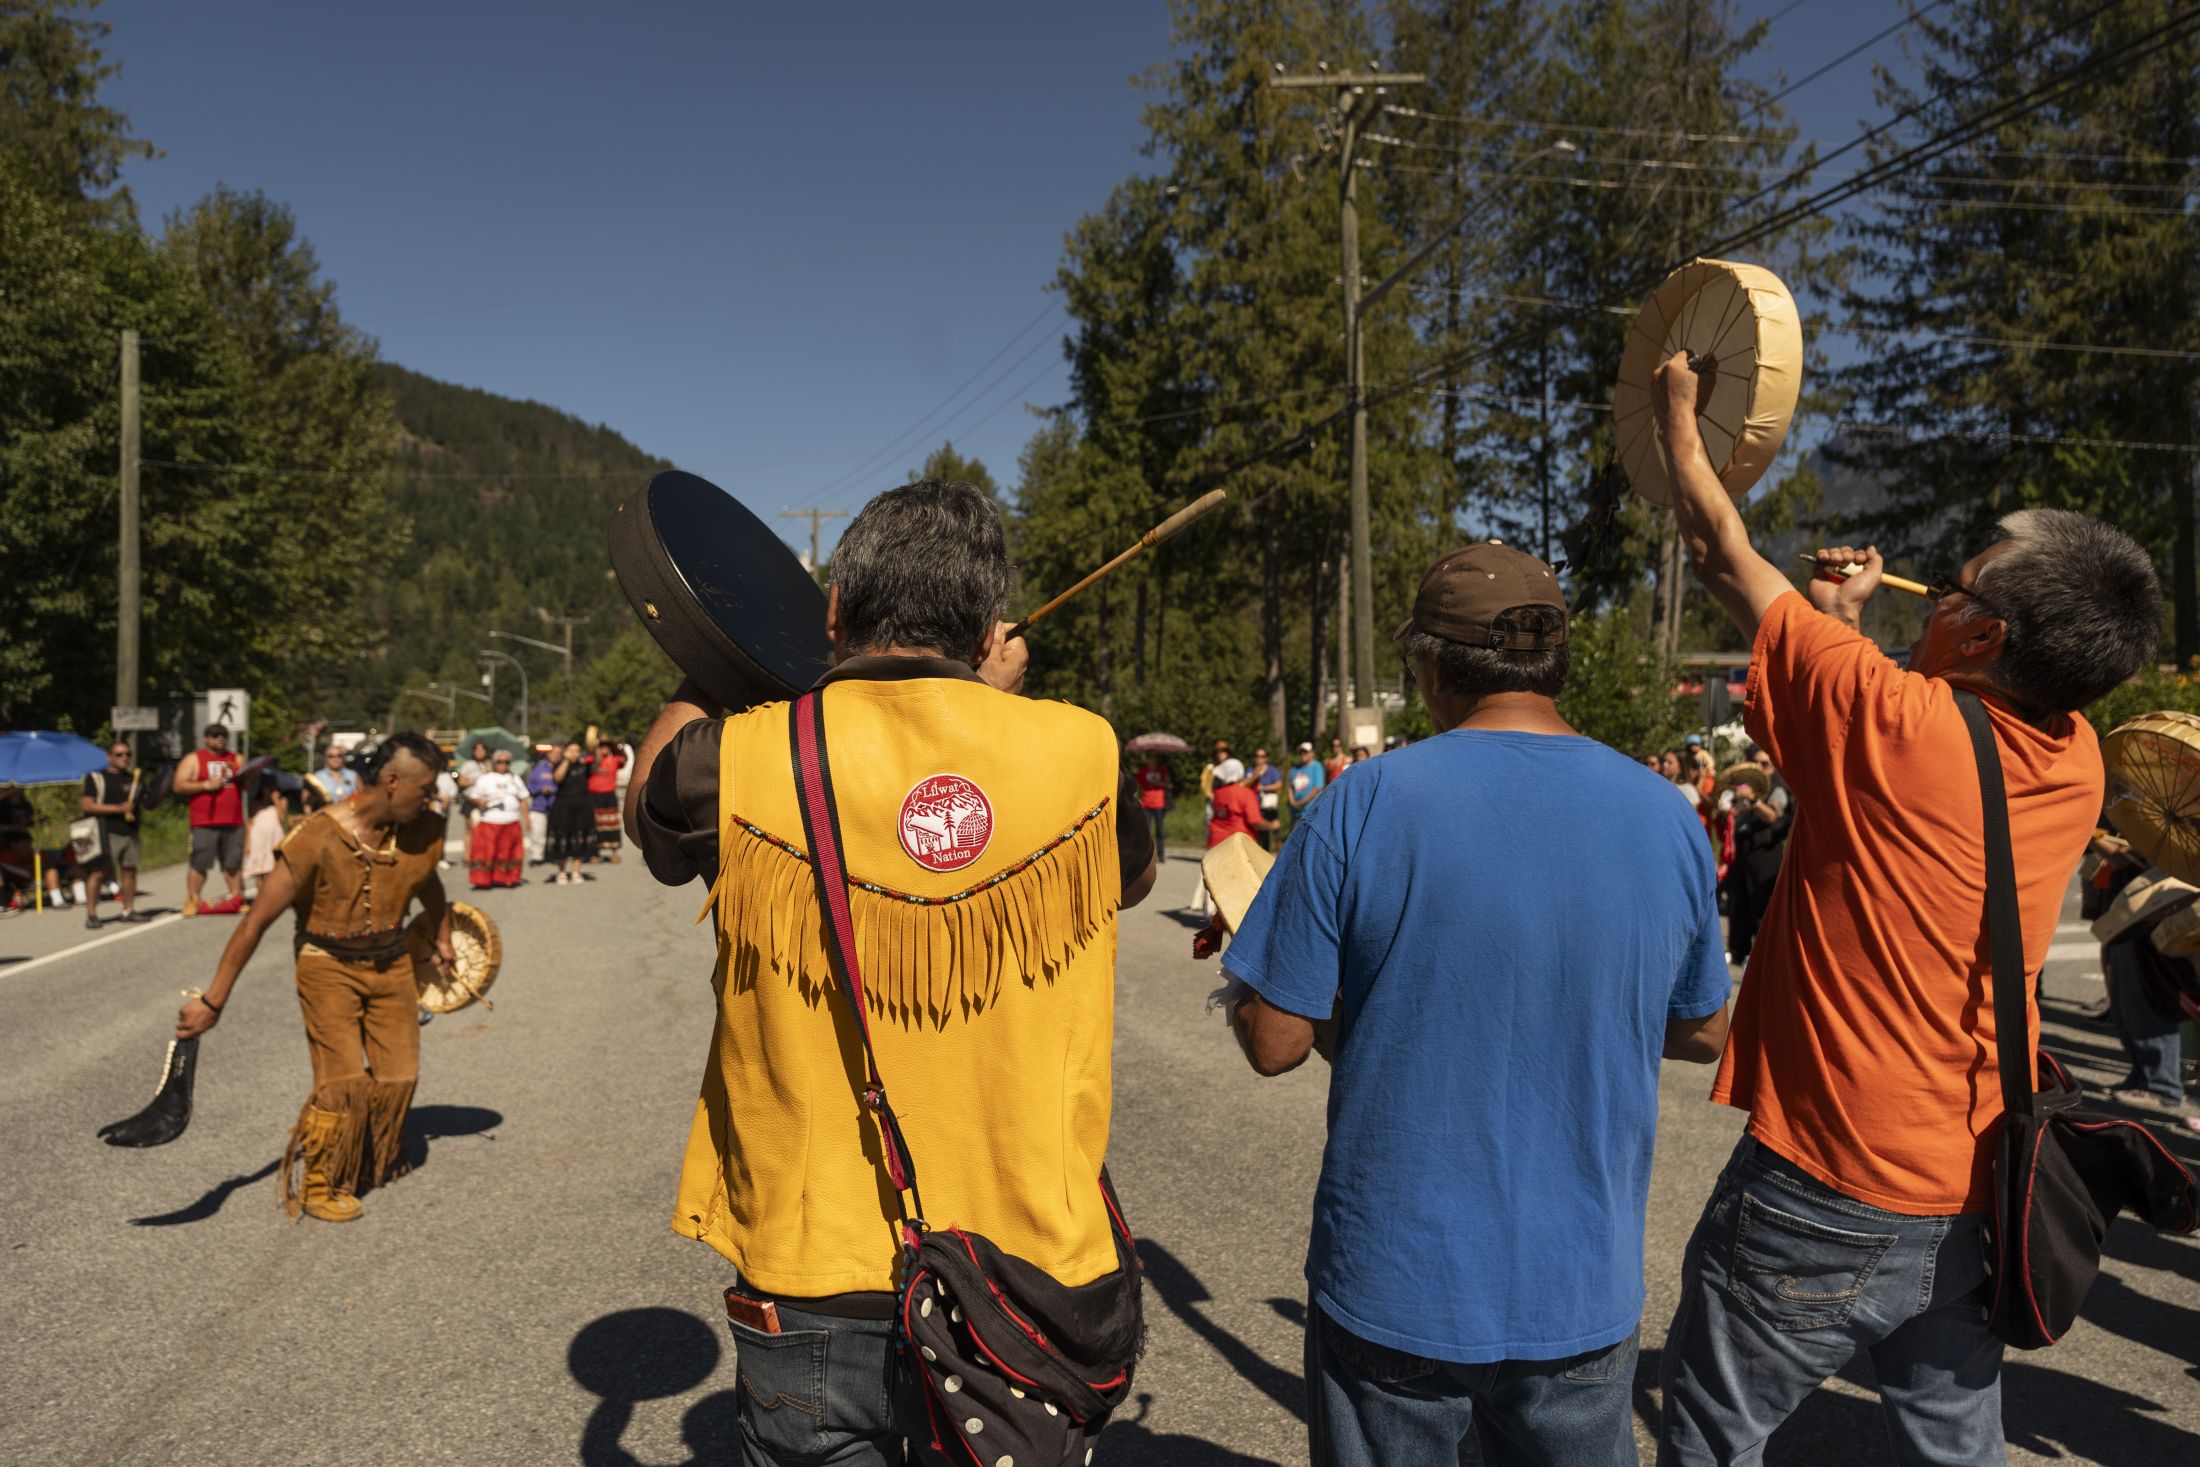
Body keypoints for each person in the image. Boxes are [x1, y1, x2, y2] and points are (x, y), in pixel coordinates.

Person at [1646, 352, 2164, 1465]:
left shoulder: (1886, 716)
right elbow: (1881, 743)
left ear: (1980, 639)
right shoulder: (2073, 758)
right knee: (1956, 1450)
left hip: (1825, 1179)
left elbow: (1714, 546)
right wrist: (1841, 620)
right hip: (1971, 1180)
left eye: (1961, 586)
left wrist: (1677, 423)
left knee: (1708, 1435)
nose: (1937, 589)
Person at [627, 478, 1157, 1463]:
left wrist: (711, 654)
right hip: (1026, 1270)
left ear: (833, 614)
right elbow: (1129, 882)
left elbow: (646, 815)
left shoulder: (740, 756)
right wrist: (994, 710)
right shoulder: (1085, 751)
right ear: (992, 627)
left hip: (812, 1267)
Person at [1221, 540, 1731, 1467]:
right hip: (1582, 1284)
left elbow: (1274, 1039)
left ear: (1428, 664)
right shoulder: (1669, 815)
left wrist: (1307, 1002)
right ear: (1558, 658)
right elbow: (1703, 1031)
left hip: (1395, 1278)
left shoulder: (1362, 800)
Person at [173, 733, 456, 1222]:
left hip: (391, 963)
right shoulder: (316, 837)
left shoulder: (422, 830)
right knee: (341, 1081)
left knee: (399, 1074)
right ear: (392, 781)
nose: (430, 798)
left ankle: (370, 1156)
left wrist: (444, 937)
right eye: (424, 788)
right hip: (327, 966)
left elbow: (428, 883)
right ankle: (322, 1183)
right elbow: (255, 921)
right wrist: (213, 1001)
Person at [1720, 758, 1791, 967]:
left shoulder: (1777, 790)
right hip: (1742, 853)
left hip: (1765, 855)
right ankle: (1738, 951)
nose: (1761, 767)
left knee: (1762, 905)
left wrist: (1754, 801)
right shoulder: (1741, 791)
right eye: (1756, 763)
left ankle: (1765, 953)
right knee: (1738, 903)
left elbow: (1772, 816)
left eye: (1765, 763)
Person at [172, 723, 246, 916]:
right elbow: (179, 785)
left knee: (233, 863)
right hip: (204, 821)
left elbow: (247, 784)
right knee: (200, 862)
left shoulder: (236, 758)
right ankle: (193, 899)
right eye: (214, 735)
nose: (219, 739)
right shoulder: (194, 759)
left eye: (223, 735)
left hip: (233, 820)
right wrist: (205, 785)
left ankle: (236, 897)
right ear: (206, 739)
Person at [80, 740, 145, 928]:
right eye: (119, 754)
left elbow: (145, 802)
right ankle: (92, 914)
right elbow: (87, 804)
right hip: (106, 832)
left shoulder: (134, 778)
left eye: (127, 754)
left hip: (131, 831)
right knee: (98, 873)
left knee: (129, 871)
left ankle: (128, 909)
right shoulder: (97, 778)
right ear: (109, 757)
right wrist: (118, 808)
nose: (124, 758)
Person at [465, 749, 528, 889]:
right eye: (500, 761)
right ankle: (483, 880)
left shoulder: (515, 778)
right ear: (494, 763)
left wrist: (527, 819)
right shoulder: (485, 778)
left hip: (511, 821)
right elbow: (473, 795)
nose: (503, 764)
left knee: (508, 852)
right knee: (486, 852)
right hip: (489, 821)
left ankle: (507, 878)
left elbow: (523, 798)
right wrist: (480, 801)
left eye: (506, 762)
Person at [544, 739, 597, 883]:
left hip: (582, 806)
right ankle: (561, 872)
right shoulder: (558, 764)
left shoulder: (584, 765)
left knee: (579, 838)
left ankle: (575, 871)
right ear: (565, 751)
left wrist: (594, 746)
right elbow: (557, 779)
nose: (574, 753)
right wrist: (566, 760)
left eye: (577, 750)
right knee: (563, 838)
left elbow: (596, 765)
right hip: (563, 806)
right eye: (571, 750)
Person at [242, 780, 288, 902]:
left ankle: (273, 896)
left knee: (272, 869)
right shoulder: (255, 803)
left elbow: (282, 818)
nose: (270, 791)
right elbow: (250, 823)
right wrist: (248, 842)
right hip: (258, 838)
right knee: (259, 870)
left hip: (274, 838)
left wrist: (276, 800)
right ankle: (260, 897)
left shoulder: (282, 801)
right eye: (268, 788)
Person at [587, 733, 624, 862]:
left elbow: (623, 758)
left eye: (606, 745)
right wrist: (595, 745)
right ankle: (596, 853)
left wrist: (611, 741)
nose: (604, 748)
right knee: (595, 825)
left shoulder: (615, 759)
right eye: (601, 746)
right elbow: (592, 765)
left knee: (612, 823)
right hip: (594, 796)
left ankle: (614, 852)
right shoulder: (590, 760)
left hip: (609, 795)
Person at [302, 743, 358, 814]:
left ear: (343, 758)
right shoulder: (318, 776)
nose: (335, 759)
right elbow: (307, 801)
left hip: (349, 816)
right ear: (326, 758)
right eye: (331, 756)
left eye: (339, 756)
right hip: (326, 818)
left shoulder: (353, 775)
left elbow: (364, 797)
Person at [1134, 752, 1171, 861]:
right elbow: (1138, 786)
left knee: (1160, 830)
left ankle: (1161, 854)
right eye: (1150, 758)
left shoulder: (1163, 770)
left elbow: (1169, 784)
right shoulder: (1143, 771)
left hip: (1159, 804)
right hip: (1146, 804)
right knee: (1146, 830)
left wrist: (1159, 783)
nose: (1151, 761)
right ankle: (1147, 854)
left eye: (1153, 758)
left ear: (1156, 760)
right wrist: (1138, 799)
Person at [524, 750, 558, 864]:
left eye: (557, 754)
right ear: (548, 755)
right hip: (539, 805)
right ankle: (536, 856)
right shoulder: (539, 768)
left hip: (556, 805)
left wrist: (554, 790)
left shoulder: (561, 767)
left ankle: (553, 854)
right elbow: (529, 785)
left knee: (555, 833)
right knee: (537, 832)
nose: (555, 756)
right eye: (553, 753)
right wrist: (539, 790)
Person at [1251, 747, 1284, 850]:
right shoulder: (1251, 770)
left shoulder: (1272, 770)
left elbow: (1279, 784)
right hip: (1256, 805)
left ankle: (1278, 850)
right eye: (1257, 756)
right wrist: (1255, 776)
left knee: (1275, 827)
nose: (1260, 759)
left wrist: (1263, 788)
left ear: (1266, 758)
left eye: (1262, 756)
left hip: (1269, 804)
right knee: (1261, 831)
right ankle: (1263, 851)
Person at [1288, 740, 1325, 824]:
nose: (1303, 754)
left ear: (1312, 753)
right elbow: (1290, 787)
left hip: (1312, 811)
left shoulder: (1316, 766)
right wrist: (1292, 802)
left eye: (1305, 752)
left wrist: (1301, 803)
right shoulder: (1295, 769)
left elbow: (1317, 788)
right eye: (1301, 752)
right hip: (1296, 812)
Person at [1199, 738, 1230, 823]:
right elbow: (1203, 784)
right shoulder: (1210, 768)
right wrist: (1210, 795)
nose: (1221, 754)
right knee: (1211, 820)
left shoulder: (1231, 767)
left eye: (1223, 751)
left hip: (1228, 800)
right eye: (1218, 752)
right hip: (1213, 800)